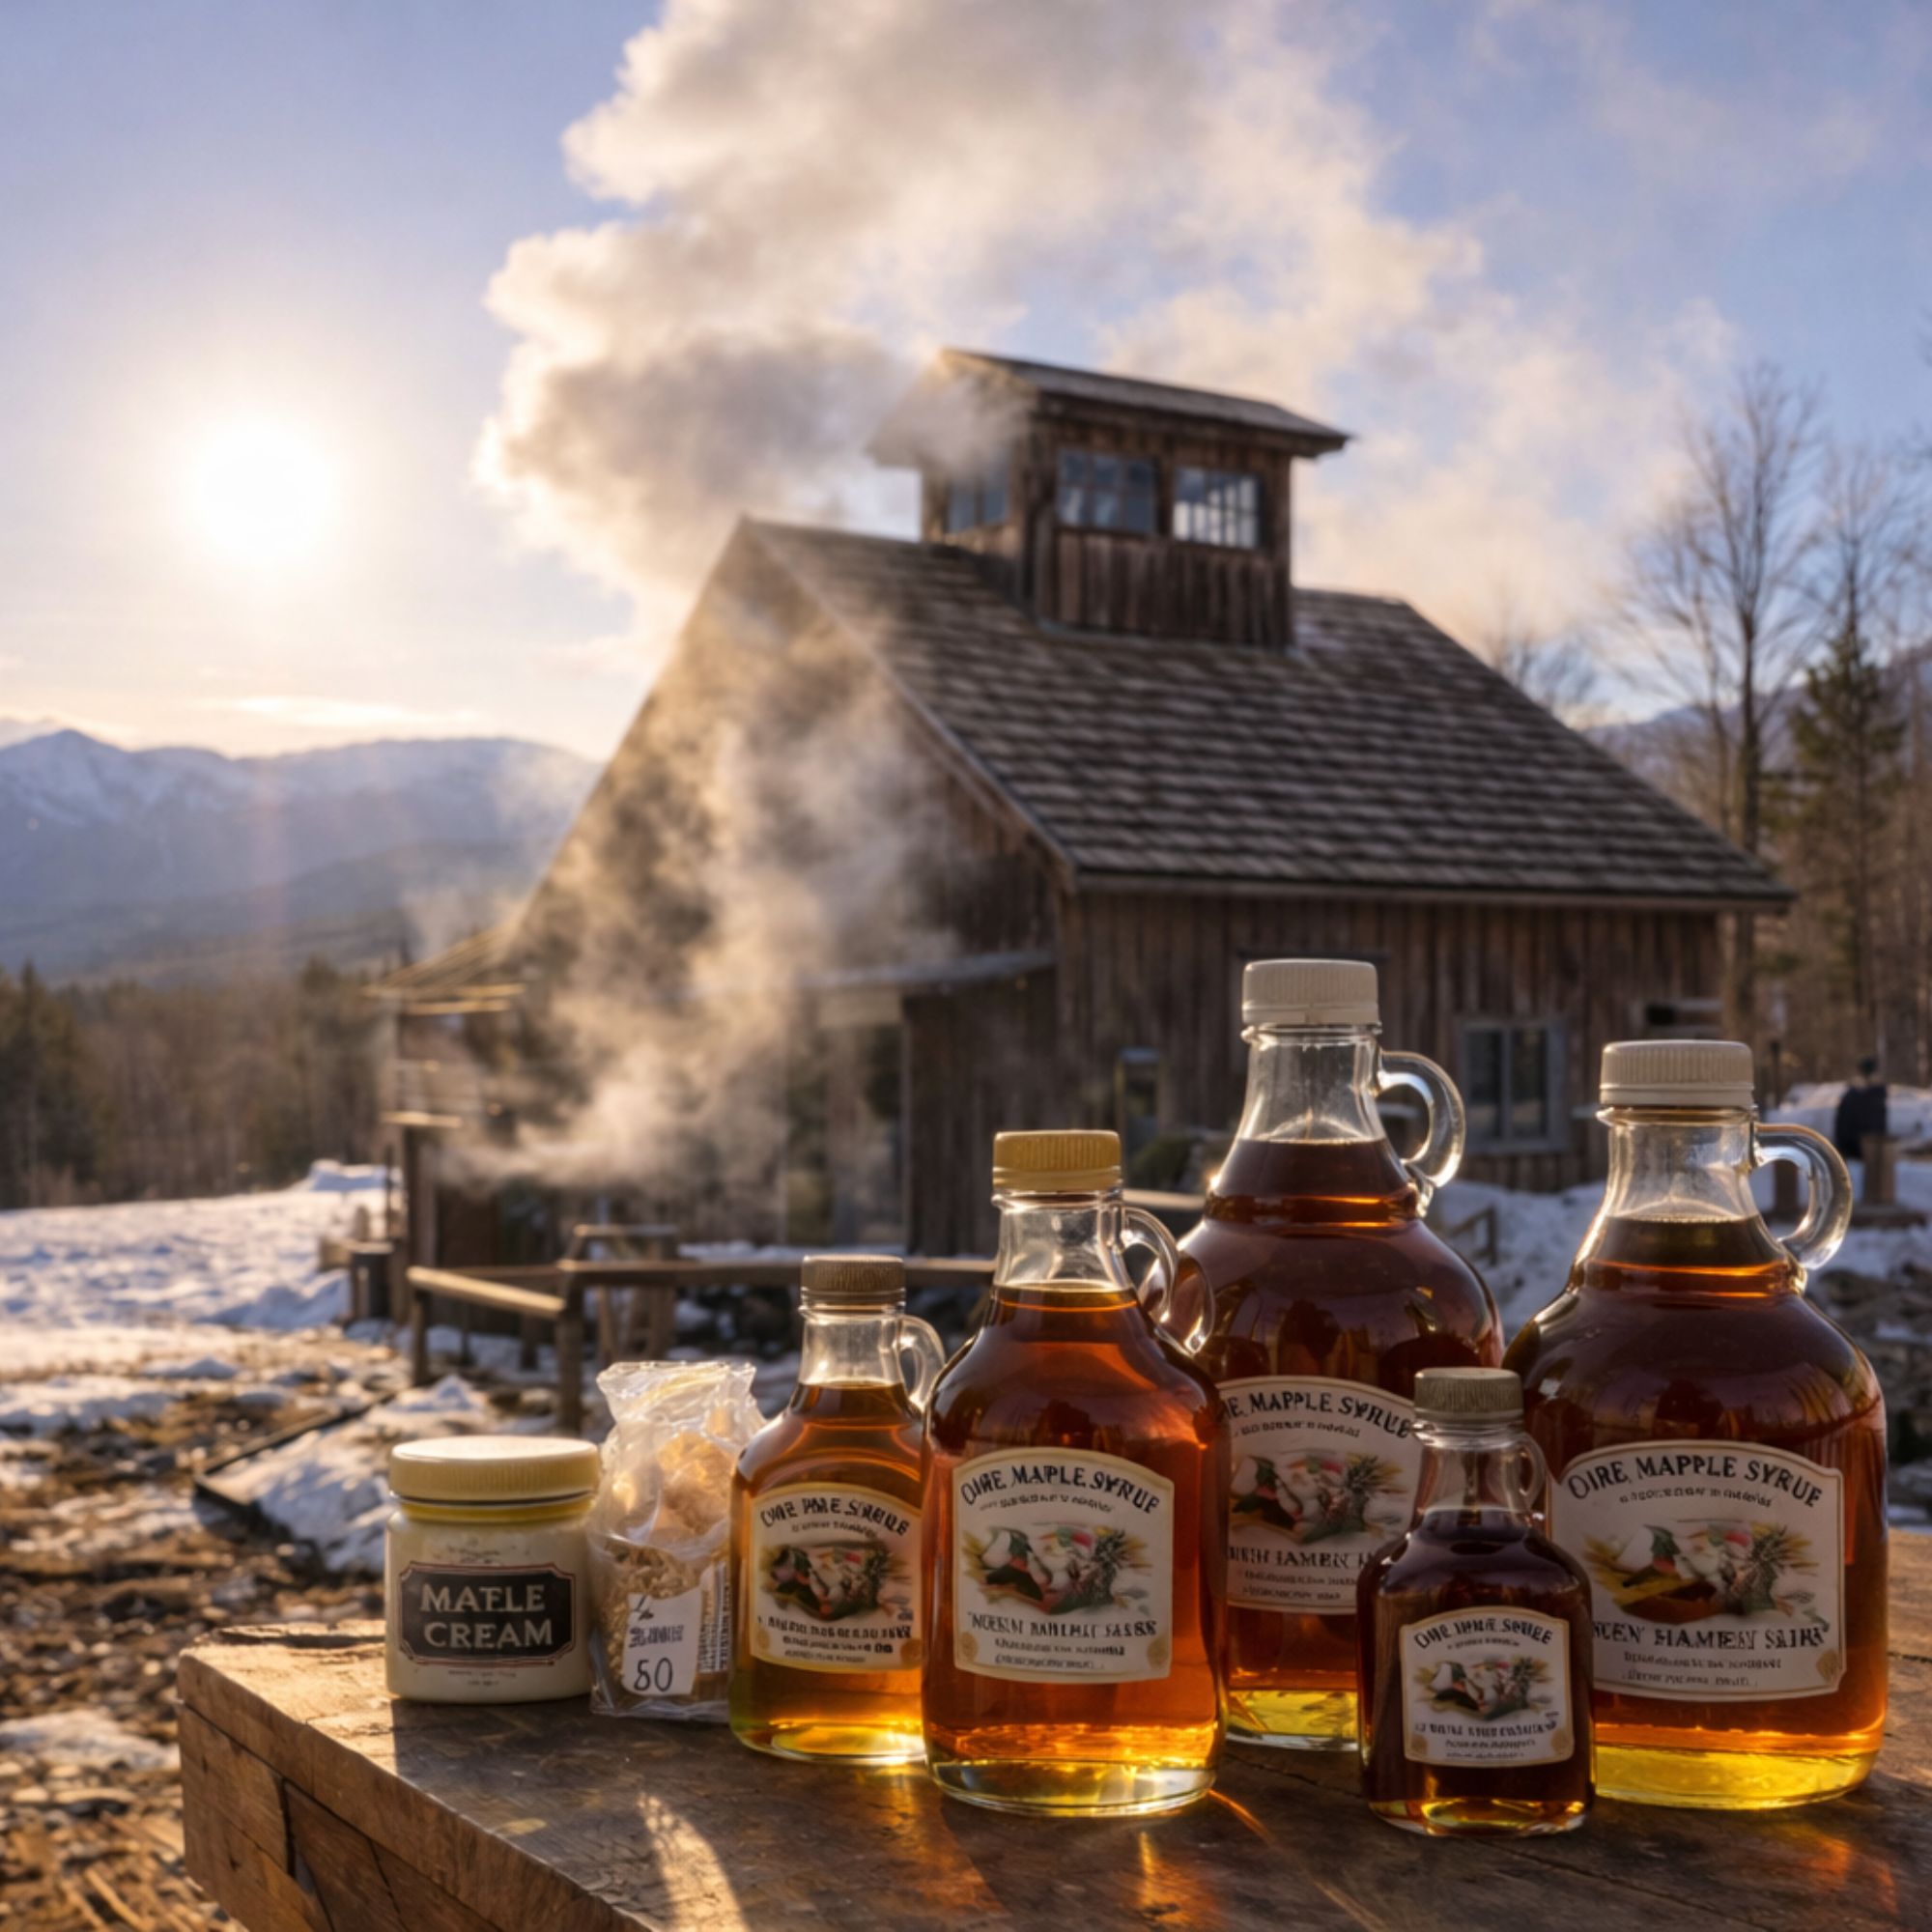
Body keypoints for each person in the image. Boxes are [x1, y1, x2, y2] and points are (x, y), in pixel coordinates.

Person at [1833, 1057, 1889, 1162]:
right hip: (1858, 1149)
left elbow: (1880, 1124)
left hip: (1867, 1149)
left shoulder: (1874, 1096)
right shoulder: (1854, 1096)